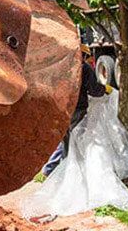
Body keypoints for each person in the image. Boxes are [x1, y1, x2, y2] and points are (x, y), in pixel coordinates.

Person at [40, 44, 108, 177]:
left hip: (60, 109)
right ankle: (70, 171)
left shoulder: (61, 68)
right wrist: (104, 89)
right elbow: (94, 90)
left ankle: (54, 169)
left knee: (65, 140)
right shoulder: (84, 68)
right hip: (77, 109)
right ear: (82, 55)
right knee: (75, 141)